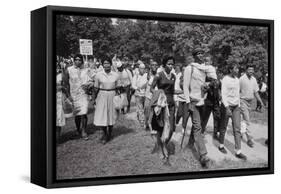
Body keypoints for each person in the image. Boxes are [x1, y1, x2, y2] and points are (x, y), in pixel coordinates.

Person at [183, 48, 217, 167]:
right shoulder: (190, 68)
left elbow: (212, 81)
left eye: (202, 53)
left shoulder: (205, 69)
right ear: (194, 56)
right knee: (198, 127)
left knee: (198, 126)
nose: (201, 55)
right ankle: (203, 155)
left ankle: (190, 144)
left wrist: (208, 85)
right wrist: (188, 102)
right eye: (198, 53)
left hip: (203, 101)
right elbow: (185, 87)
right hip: (193, 101)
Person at [150, 56, 179, 165]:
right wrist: (159, 93)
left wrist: (184, 92)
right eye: (169, 64)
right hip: (161, 106)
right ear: (164, 65)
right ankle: (164, 153)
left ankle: (162, 144)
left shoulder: (174, 76)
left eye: (172, 64)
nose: (171, 66)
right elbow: (151, 88)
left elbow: (172, 91)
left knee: (171, 129)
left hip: (171, 105)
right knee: (162, 129)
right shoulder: (159, 75)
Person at [219, 63, 247, 160]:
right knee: (223, 127)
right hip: (227, 106)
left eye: (238, 68)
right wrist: (227, 108)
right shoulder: (225, 79)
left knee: (237, 129)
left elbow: (237, 94)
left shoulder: (237, 80)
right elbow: (223, 94)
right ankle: (221, 145)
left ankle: (238, 151)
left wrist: (238, 106)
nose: (237, 70)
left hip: (236, 107)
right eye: (236, 68)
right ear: (231, 70)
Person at [93, 56, 120, 144]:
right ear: (102, 65)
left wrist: (119, 97)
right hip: (102, 95)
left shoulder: (115, 75)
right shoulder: (98, 75)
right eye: (104, 63)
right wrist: (94, 98)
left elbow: (118, 87)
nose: (106, 65)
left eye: (108, 63)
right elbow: (96, 88)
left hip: (112, 95)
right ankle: (105, 134)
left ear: (111, 64)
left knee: (111, 114)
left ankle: (109, 133)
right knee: (103, 115)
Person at [64, 54, 91, 140]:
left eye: (80, 60)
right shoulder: (69, 70)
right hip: (74, 94)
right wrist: (68, 96)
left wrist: (89, 85)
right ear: (74, 60)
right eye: (76, 60)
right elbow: (66, 84)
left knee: (84, 113)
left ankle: (83, 131)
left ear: (82, 61)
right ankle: (78, 129)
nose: (78, 61)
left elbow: (92, 80)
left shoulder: (86, 70)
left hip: (83, 94)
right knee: (77, 114)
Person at [240, 64, 265, 148]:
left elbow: (256, 92)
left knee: (244, 119)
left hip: (250, 102)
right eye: (249, 69)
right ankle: (249, 139)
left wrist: (260, 101)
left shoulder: (254, 79)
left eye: (252, 70)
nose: (251, 71)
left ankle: (240, 132)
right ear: (246, 70)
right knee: (247, 119)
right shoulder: (241, 79)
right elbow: (236, 90)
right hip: (242, 101)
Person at [200, 56, 221, 140]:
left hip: (215, 98)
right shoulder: (203, 71)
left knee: (217, 116)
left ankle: (216, 133)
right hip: (207, 98)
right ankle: (201, 131)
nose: (206, 62)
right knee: (205, 116)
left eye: (208, 61)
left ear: (211, 62)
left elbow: (218, 85)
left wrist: (219, 95)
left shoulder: (213, 71)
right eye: (205, 61)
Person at [132, 62, 148, 129]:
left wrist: (146, 85)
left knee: (145, 108)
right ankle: (142, 122)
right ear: (139, 69)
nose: (142, 70)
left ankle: (145, 120)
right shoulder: (136, 76)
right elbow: (133, 85)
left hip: (146, 95)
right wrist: (137, 88)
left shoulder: (147, 75)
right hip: (138, 95)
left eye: (143, 68)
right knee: (140, 108)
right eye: (141, 68)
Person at [144, 60, 158, 130]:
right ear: (150, 66)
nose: (154, 66)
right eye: (152, 65)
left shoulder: (159, 75)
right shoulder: (147, 75)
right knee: (147, 109)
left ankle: (151, 124)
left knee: (153, 111)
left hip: (155, 96)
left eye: (155, 65)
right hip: (148, 95)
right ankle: (146, 122)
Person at [56, 64, 66, 142]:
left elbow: (65, 86)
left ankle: (58, 137)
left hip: (59, 97)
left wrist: (61, 87)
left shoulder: (61, 76)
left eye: (57, 67)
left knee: (59, 116)